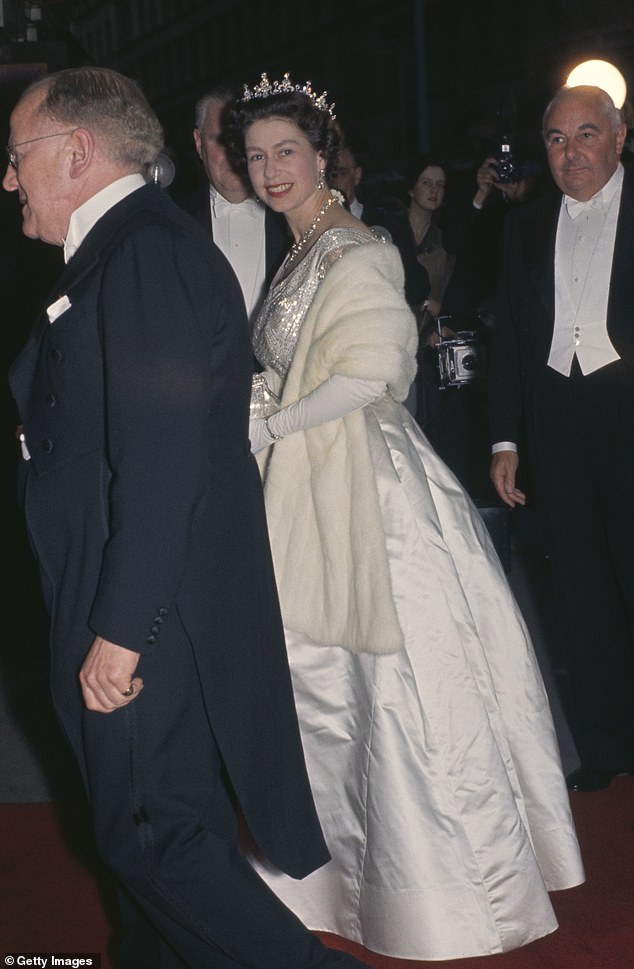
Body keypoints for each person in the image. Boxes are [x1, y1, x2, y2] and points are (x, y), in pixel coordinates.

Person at [4, 66, 371, 969]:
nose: (9, 179)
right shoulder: (116, 254)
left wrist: (120, 631)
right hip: (118, 589)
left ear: (76, 151)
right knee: (151, 832)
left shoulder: (144, 256)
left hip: (139, 613)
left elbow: (163, 463)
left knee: (153, 838)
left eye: (18, 157)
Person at [225, 71, 584, 962]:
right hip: (310, 476)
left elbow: (369, 377)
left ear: (323, 158)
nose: (271, 170)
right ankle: (324, 875)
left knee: (389, 686)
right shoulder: (302, 247)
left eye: (287, 153)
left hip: (367, 485)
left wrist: (265, 421)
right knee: (321, 685)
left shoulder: (355, 249)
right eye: (257, 155)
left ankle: (435, 887)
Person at [489, 83, 634, 793]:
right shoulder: (525, 226)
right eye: (556, 138)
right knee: (580, 588)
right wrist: (504, 439)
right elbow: (511, 338)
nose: (570, 151)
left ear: (618, 136)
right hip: (556, 422)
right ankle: (606, 741)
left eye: (585, 134)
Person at [179, 84, 289, 325]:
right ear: (199, 143)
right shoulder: (174, 223)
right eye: (219, 139)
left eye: (240, 139)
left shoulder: (292, 220)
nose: (232, 153)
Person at [329, 144, 429, 310]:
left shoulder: (389, 225)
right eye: (328, 174)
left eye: (341, 173)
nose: (334, 181)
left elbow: (416, 286)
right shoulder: (309, 228)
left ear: (357, 175)